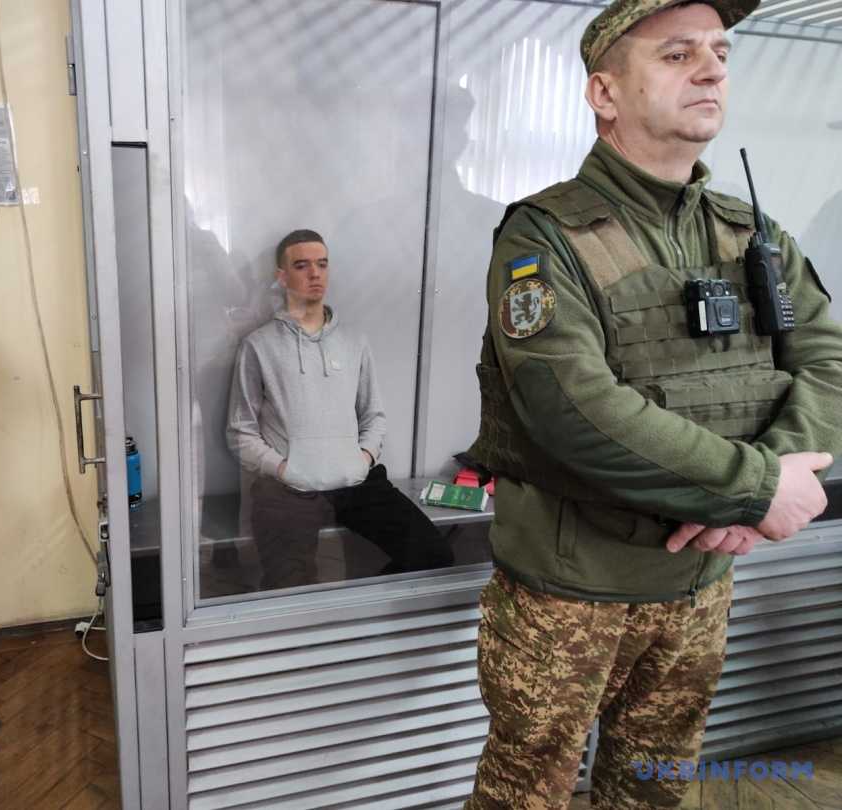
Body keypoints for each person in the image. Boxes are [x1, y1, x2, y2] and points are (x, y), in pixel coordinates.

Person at [462, 1, 842, 807]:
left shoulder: (752, 233)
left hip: (702, 583)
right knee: (525, 794)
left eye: (720, 54)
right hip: (571, 591)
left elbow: (825, 359)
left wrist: (763, 488)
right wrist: (756, 489)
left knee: (656, 788)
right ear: (604, 93)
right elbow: (572, 407)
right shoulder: (545, 236)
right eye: (677, 55)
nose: (710, 70)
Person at [227, 229, 452, 590]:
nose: (315, 273)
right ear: (282, 277)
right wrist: (283, 469)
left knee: (432, 554)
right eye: (302, 265)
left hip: (355, 481)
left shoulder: (353, 341)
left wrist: (363, 458)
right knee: (289, 587)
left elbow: (373, 416)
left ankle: (363, 616)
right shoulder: (259, 346)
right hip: (288, 490)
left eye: (322, 264)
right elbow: (241, 431)